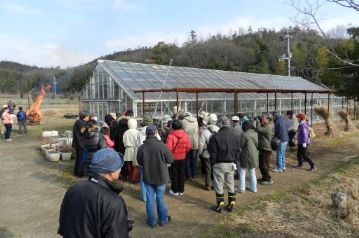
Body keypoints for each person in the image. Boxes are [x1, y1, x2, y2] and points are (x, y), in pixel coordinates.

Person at [58, 148, 131, 238]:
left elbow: (64, 222)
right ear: (111, 172)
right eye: (119, 167)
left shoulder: (74, 188)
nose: (120, 170)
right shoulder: (113, 202)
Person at [137, 125, 174, 228]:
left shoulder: (142, 147)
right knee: (160, 198)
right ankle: (163, 220)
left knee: (150, 199)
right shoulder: (162, 145)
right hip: (161, 176)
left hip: (148, 176)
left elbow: (140, 162)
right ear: (156, 133)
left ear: (146, 134)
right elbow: (171, 159)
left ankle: (152, 221)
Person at [208, 117, 240, 213]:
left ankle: (220, 206)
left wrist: (213, 163)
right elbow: (238, 151)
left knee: (219, 185)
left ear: (221, 124)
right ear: (229, 124)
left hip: (219, 163)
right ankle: (231, 205)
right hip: (231, 163)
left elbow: (212, 151)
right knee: (231, 184)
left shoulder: (215, 136)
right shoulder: (234, 136)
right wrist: (235, 162)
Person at [166, 120, 191, 196]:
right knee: (181, 173)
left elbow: (168, 148)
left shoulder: (171, 136)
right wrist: (184, 152)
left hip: (174, 158)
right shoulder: (185, 135)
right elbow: (188, 147)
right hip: (182, 157)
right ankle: (181, 190)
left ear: (172, 127)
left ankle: (175, 190)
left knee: (174, 174)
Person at [198, 113, 219, 191]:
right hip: (216, 154)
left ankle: (208, 185)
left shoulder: (205, 131)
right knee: (216, 169)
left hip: (207, 153)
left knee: (208, 169)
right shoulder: (219, 129)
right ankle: (215, 184)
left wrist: (200, 153)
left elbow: (201, 144)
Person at [238, 120, 259, 193]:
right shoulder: (255, 133)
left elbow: (241, 145)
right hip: (254, 154)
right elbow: (257, 144)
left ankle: (241, 188)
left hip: (245, 154)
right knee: (252, 172)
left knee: (242, 171)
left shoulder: (244, 134)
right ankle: (254, 188)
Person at [256, 114, 274, 185]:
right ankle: (264, 177)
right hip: (264, 147)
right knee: (265, 164)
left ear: (268, 119)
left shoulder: (268, 127)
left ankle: (268, 179)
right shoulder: (269, 124)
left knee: (263, 165)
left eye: (264, 118)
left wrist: (258, 122)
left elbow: (258, 129)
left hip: (265, 148)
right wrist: (261, 121)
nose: (262, 119)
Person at [181, 112, 199, 180]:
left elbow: (182, 132)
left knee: (187, 160)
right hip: (195, 143)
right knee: (194, 160)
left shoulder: (183, 121)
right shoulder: (196, 121)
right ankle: (194, 174)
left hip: (186, 143)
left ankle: (188, 175)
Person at [123, 118, 141, 183]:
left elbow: (124, 141)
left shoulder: (126, 132)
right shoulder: (138, 132)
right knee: (136, 165)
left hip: (128, 150)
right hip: (136, 149)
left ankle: (131, 178)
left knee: (129, 165)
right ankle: (135, 178)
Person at [72, 111, 90, 177]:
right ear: (85, 117)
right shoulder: (81, 122)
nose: (88, 118)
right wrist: (88, 127)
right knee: (81, 159)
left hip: (77, 143)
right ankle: (79, 173)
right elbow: (82, 131)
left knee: (78, 159)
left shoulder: (78, 121)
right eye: (88, 116)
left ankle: (76, 172)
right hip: (81, 144)